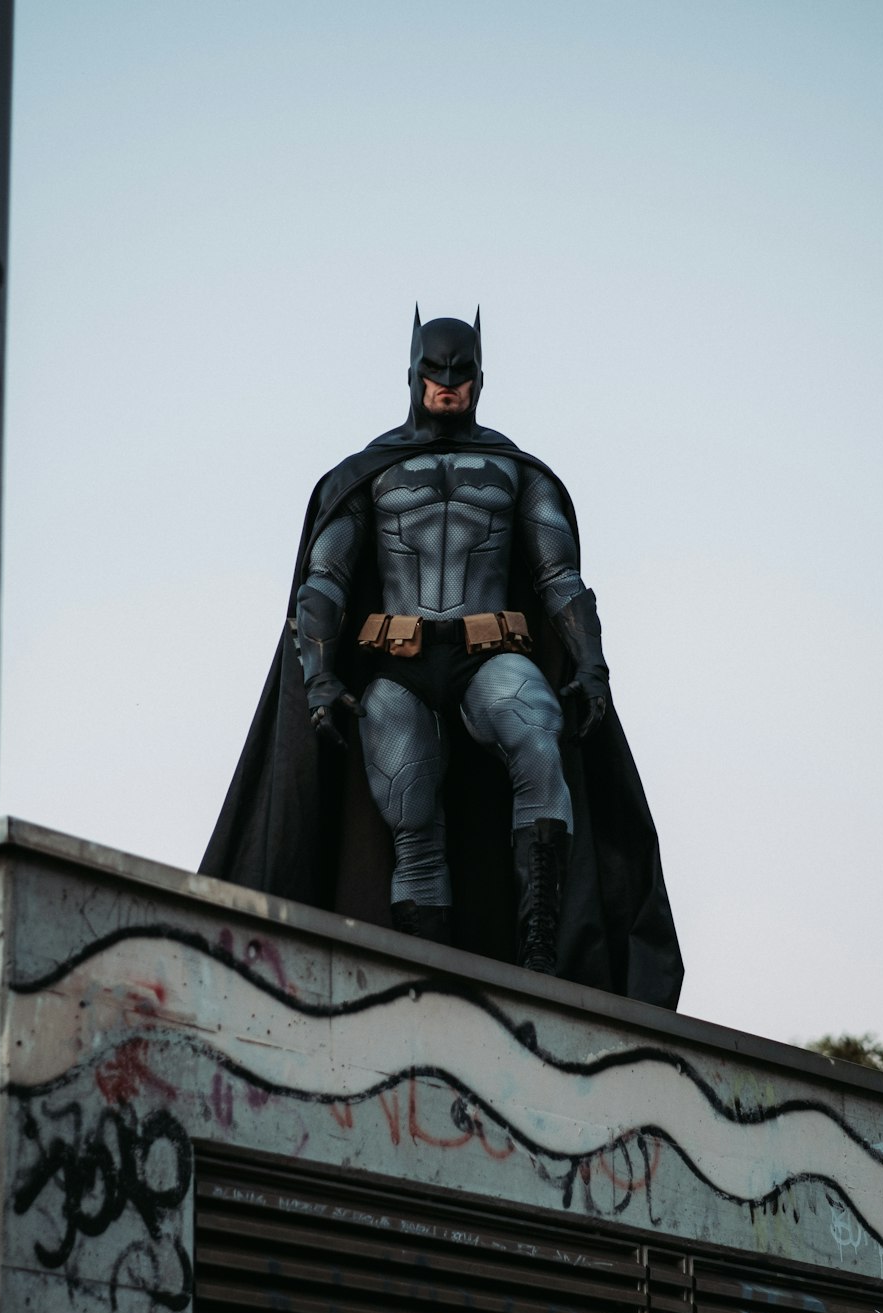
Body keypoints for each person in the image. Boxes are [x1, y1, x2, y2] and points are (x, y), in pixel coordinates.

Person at [201, 310, 682, 1008]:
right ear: (413, 372)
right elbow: (325, 581)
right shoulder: (368, 473)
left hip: (491, 653)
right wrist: (320, 676)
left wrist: (591, 665)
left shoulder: (517, 473)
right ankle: (425, 968)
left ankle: (540, 948)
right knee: (410, 805)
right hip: (397, 662)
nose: (447, 385)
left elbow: (559, 578)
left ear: (480, 377)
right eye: (436, 372)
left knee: (537, 732)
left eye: (460, 373)